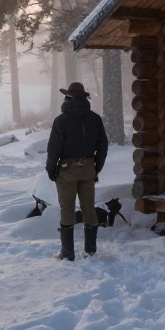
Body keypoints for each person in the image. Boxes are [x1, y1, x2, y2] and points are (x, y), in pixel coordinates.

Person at [46, 82, 109, 260]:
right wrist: (96, 168)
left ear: (68, 98)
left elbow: (54, 149)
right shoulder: (95, 119)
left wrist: (51, 169)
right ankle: (90, 251)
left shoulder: (61, 121)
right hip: (88, 168)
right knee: (89, 208)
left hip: (67, 170)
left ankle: (67, 253)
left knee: (67, 208)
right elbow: (102, 146)